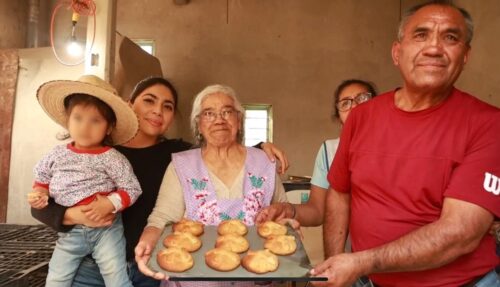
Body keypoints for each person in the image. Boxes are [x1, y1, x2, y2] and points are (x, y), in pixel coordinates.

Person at [31, 77, 289, 287]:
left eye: (167, 106)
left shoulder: (175, 154)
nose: (157, 111)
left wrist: (261, 147)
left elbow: (217, 147)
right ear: (130, 105)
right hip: (90, 267)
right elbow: (39, 203)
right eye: (149, 101)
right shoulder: (93, 152)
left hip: (147, 269)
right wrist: (74, 215)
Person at [311, 1, 500, 287]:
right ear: (397, 53)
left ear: (465, 55)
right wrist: (335, 264)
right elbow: (339, 193)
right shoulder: (362, 117)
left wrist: (359, 262)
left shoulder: (490, 124)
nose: (434, 48)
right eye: (421, 35)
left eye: (450, 37)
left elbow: (461, 233)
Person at [135, 84, 288, 286]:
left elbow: (283, 213)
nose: (219, 119)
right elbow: (162, 218)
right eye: (209, 113)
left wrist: (287, 222)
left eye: (227, 112)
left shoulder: (264, 162)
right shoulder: (182, 165)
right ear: (199, 124)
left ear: (239, 120)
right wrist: (147, 240)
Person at [29, 75, 142, 287]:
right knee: (56, 279)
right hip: (70, 233)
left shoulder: (112, 157)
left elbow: (131, 188)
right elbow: (42, 180)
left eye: (95, 120)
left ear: (108, 127)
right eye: (78, 118)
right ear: (68, 120)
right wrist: (40, 195)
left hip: (106, 231)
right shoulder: (56, 155)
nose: (84, 127)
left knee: (117, 279)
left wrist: (110, 203)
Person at [256, 79, 377, 227]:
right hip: (348, 242)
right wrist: (287, 210)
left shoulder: (396, 144)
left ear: (377, 106)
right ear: (339, 118)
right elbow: (317, 211)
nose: (355, 106)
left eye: (362, 98)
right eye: (345, 103)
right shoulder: (330, 151)